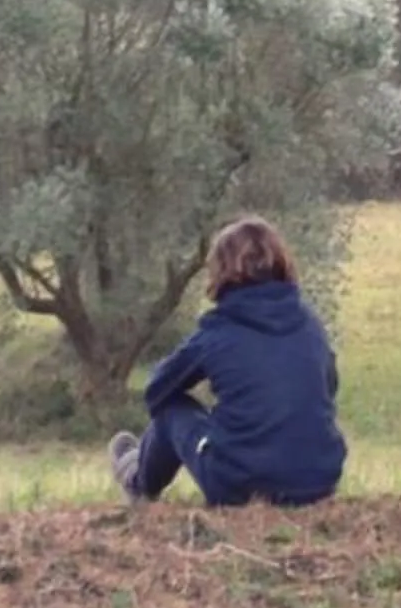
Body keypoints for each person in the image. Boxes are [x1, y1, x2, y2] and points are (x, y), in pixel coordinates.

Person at [108, 215, 345, 507]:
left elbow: (157, 390)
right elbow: (329, 386)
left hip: (240, 484)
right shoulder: (310, 323)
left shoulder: (219, 330)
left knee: (171, 409)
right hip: (319, 481)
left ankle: (138, 483)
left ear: (219, 271)